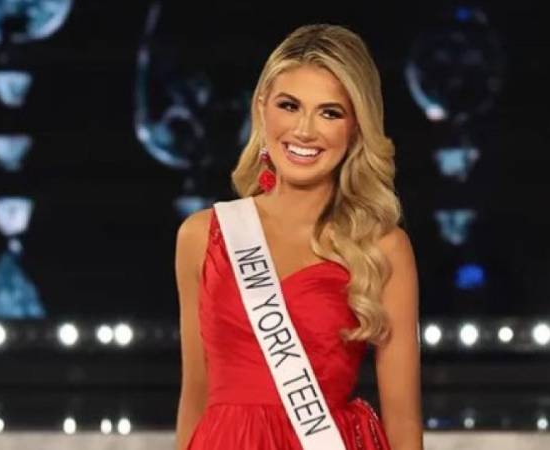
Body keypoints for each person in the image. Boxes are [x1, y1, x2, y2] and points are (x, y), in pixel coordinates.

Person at [174, 23, 422, 450]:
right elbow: (195, 396)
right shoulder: (202, 235)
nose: (305, 130)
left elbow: (403, 422)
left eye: (330, 112)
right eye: (290, 106)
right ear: (262, 108)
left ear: (356, 128)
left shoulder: (382, 247)